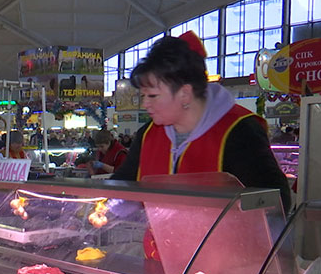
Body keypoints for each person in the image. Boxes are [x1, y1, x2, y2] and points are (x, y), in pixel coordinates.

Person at [112, 32, 291, 212]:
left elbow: (275, 199)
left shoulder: (239, 131)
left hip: (221, 240)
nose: (145, 104)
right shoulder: (148, 134)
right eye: (143, 96)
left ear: (184, 93)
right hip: (159, 240)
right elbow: (123, 182)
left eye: (152, 96)